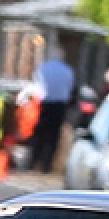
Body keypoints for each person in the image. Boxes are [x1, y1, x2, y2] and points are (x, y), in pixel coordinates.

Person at [29, 45, 76, 173]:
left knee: (39, 134)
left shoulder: (43, 68)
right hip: (60, 105)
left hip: (44, 104)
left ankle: (33, 161)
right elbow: (70, 87)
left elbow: (36, 86)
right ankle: (47, 165)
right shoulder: (68, 70)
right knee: (53, 136)